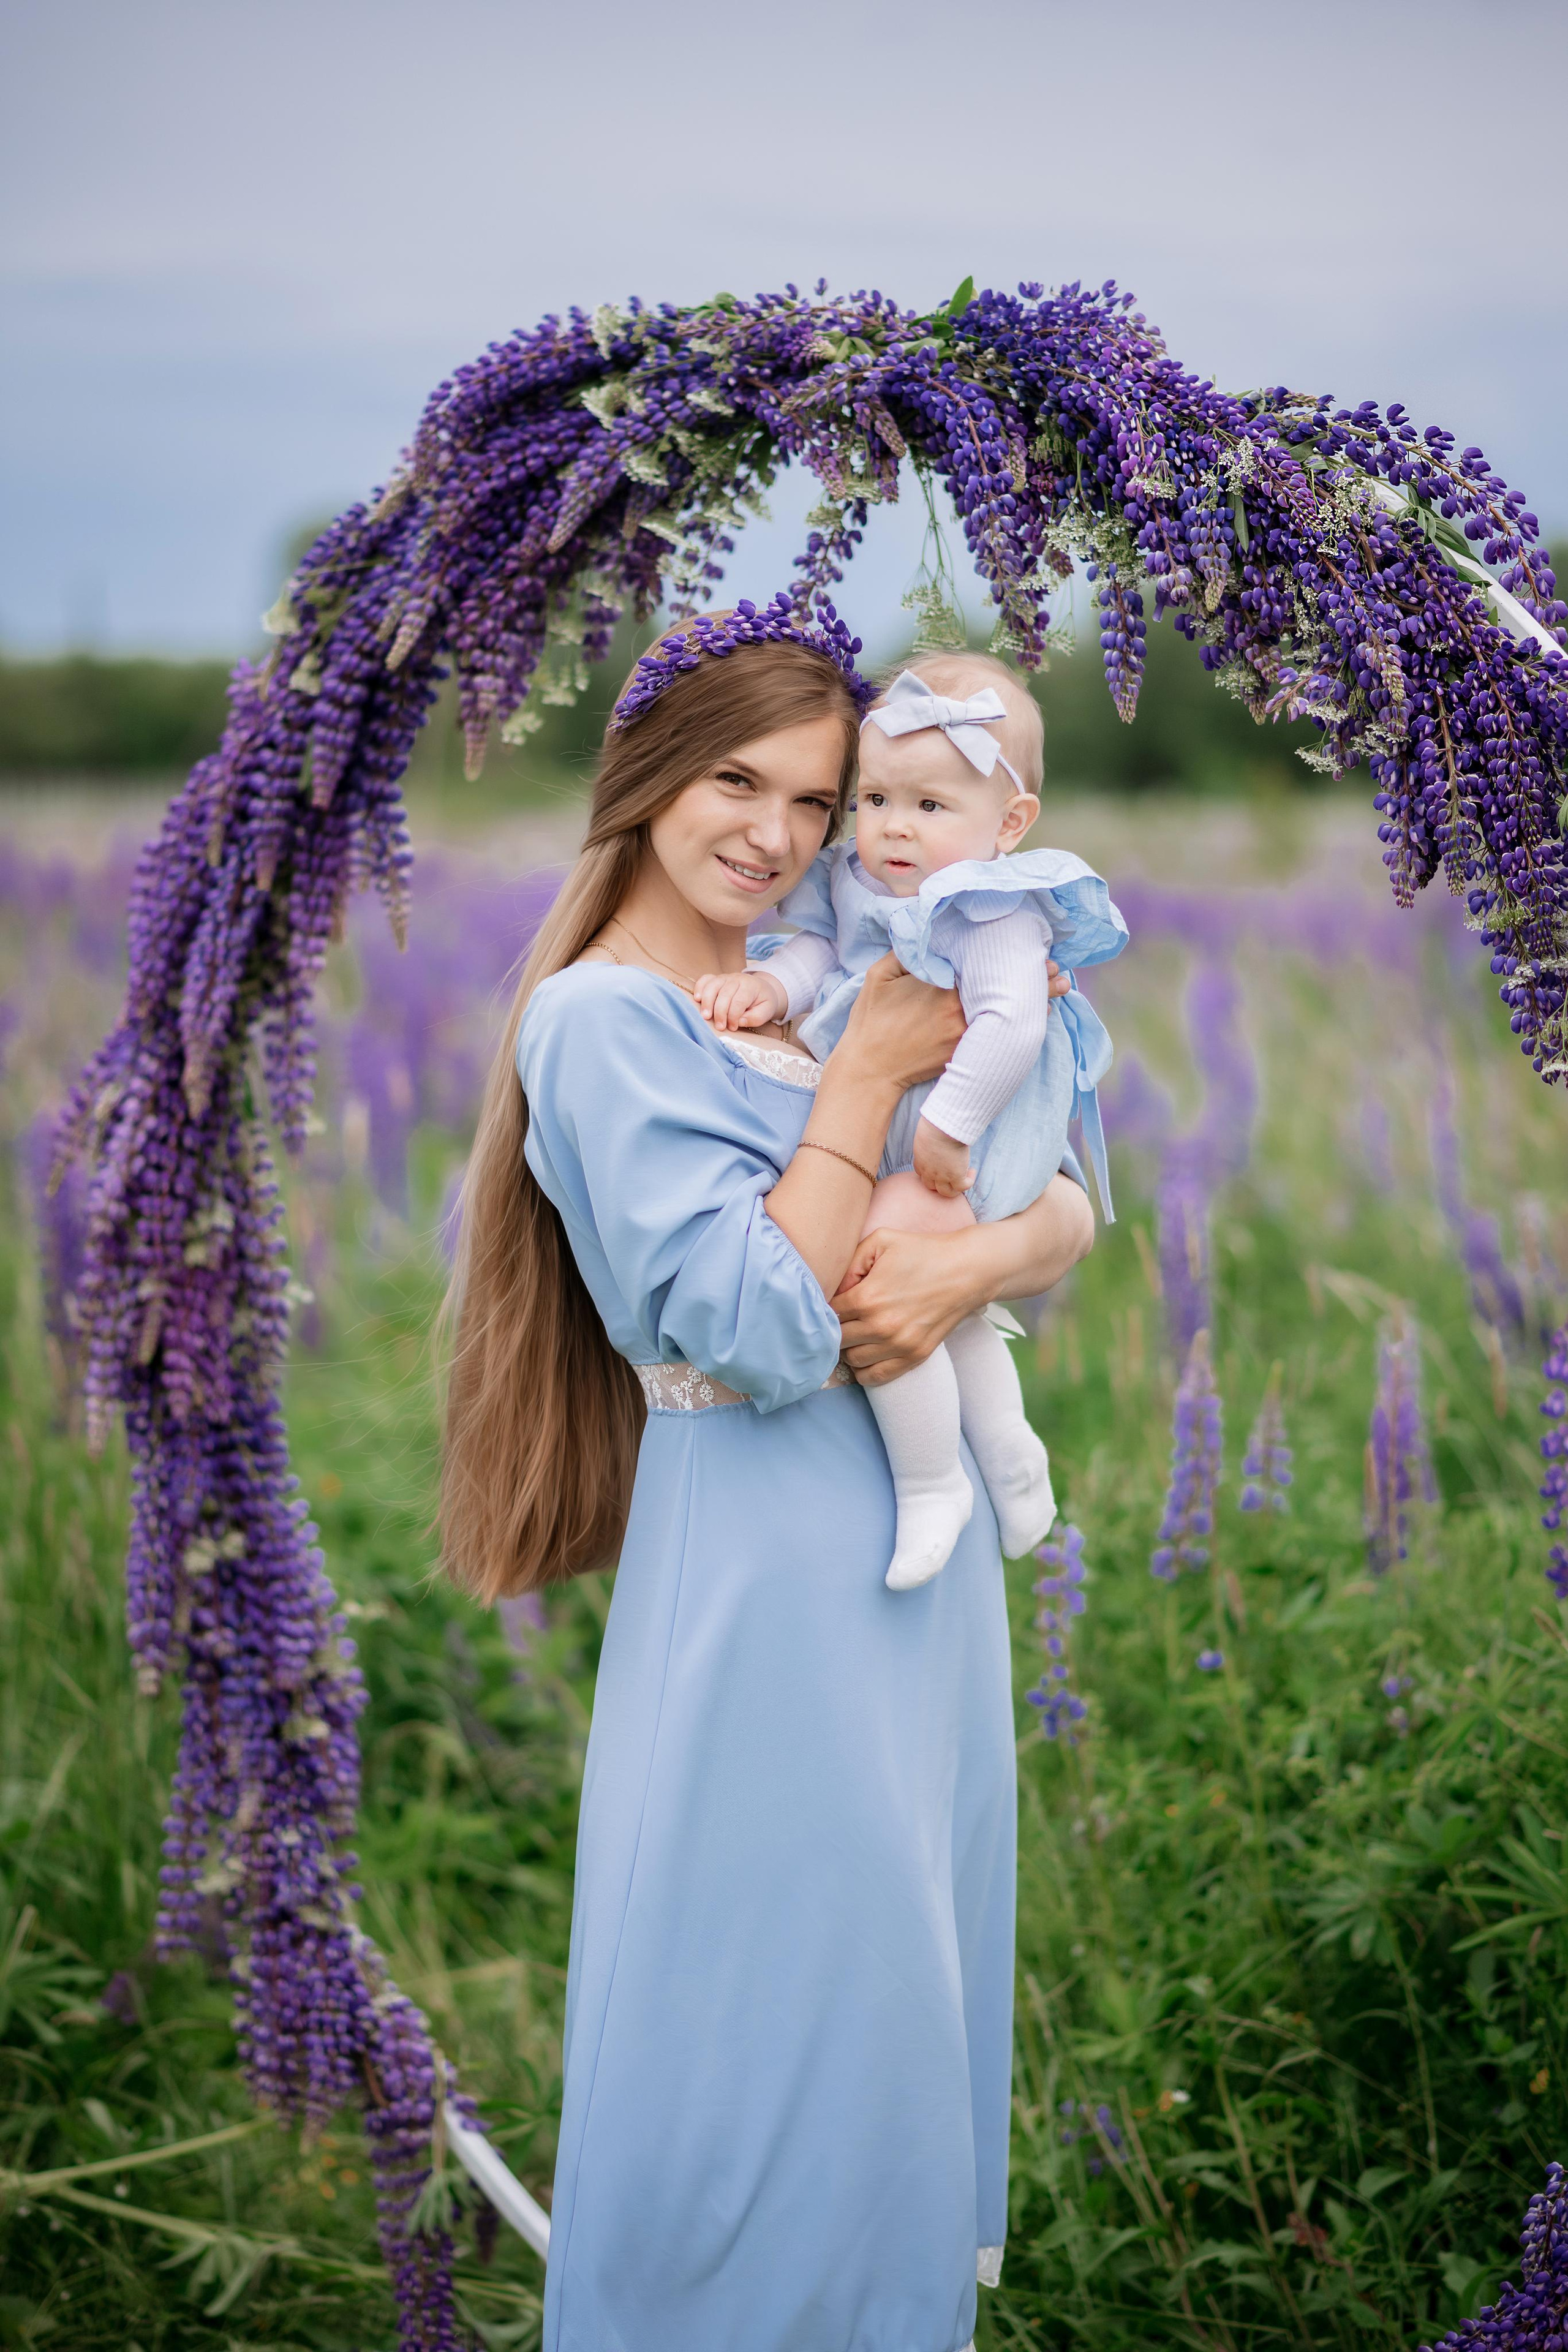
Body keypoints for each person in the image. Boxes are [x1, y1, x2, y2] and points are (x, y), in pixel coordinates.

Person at [440, 595, 1094, 2352]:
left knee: (895, 1981)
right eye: (739, 780)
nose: (780, 836)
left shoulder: (826, 954)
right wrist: (866, 1086)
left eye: (819, 800)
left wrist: (982, 1257)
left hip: (916, 1565)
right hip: (763, 1572)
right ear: (647, 776)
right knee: (760, 1993)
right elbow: (750, 1329)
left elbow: (1066, 1182)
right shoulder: (603, 1023)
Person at [695, 650, 1128, 1589]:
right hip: (909, 1133)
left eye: (931, 808)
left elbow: (1012, 1020)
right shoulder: (863, 883)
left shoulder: (991, 904)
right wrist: (767, 984)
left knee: (879, 1268)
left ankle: (934, 1482)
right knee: (953, 1311)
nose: (894, 828)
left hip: (971, 1145)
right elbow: (821, 955)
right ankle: (1010, 1458)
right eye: (877, 799)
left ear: (1009, 824)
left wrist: (953, 1127)